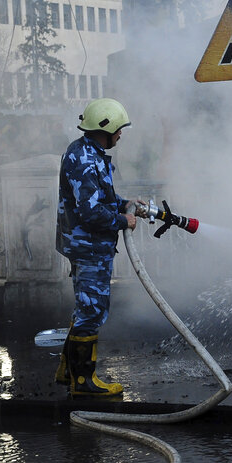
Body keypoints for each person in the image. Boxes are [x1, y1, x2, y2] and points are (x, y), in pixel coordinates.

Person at [54, 98, 143, 396]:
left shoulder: (89, 153)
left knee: (86, 308)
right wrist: (123, 220)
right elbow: (91, 213)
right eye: (119, 130)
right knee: (92, 311)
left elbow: (98, 200)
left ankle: (68, 371)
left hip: (89, 246)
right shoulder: (86, 159)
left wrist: (126, 204)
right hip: (88, 247)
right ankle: (84, 383)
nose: (121, 135)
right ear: (105, 129)